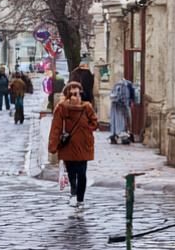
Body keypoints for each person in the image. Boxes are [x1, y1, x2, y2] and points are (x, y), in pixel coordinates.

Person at [49, 81, 99, 214]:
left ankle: (80, 200)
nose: (76, 97)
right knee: (72, 173)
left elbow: (94, 122)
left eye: (77, 93)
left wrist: (86, 129)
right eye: (72, 94)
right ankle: (73, 192)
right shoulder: (62, 108)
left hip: (84, 145)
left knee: (82, 174)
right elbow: (56, 128)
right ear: (67, 95)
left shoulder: (86, 107)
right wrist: (53, 145)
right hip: (69, 146)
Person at [108, 69, 135, 144]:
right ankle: (123, 136)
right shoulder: (126, 84)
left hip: (116, 105)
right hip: (123, 105)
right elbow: (128, 96)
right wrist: (129, 103)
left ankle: (115, 135)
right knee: (124, 121)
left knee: (115, 121)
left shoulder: (117, 85)